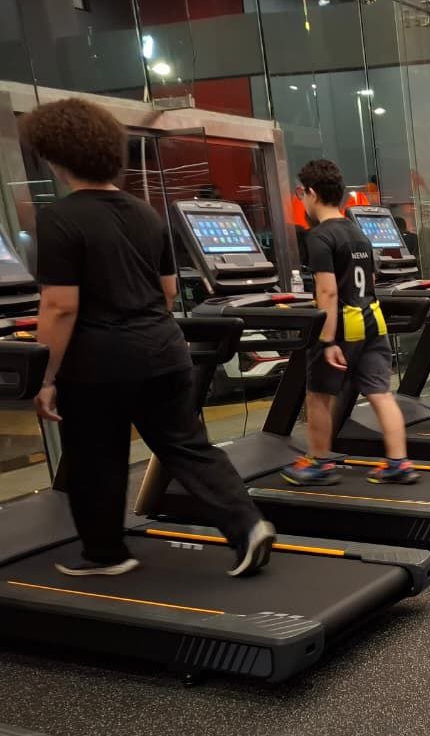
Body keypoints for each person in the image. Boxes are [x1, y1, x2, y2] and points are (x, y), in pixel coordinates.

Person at [21, 98, 275, 577]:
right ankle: (247, 525)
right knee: (186, 445)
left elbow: (59, 306)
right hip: (163, 349)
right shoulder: (145, 213)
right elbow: (168, 290)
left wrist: (46, 377)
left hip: (97, 363)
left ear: (56, 158)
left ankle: (105, 555)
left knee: (97, 458)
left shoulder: (59, 218)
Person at [283, 159, 418, 486]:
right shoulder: (358, 233)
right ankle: (398, 462)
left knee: (318, 395)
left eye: (302, 194)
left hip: (342, 327)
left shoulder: (319, 237)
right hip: (372, 321)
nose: (302, 200)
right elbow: (369, 280)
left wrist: (327, 340)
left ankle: (318, 462)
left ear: (312, 193)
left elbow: (327, 291)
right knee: (381, 393)